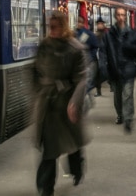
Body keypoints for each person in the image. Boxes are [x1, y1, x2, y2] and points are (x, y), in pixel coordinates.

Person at [33, 11, 89, 196]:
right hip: (48, 105)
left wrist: (74, 102)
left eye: (55, 26)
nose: (52, 30)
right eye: (50, 26)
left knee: (72, 144)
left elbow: (81, 78)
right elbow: (35, 70)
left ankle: (77, 169)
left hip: (67, 103)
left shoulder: (75, 48)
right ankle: (45, 187)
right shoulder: (45, 45)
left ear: (63, 26)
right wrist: (37, 93)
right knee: (50, 149)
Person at [99, 7, 136, 133]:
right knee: (118, 96)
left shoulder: (132, 33)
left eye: (123, 15)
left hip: (128, 69)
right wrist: (103, 68)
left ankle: (128, 119)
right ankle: (120, 114)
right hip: (114, 69)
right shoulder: (109, 35)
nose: (120, 17)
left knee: (127, 95)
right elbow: (103, 52)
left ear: (126, 16)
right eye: (118, 15)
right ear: (115, 16)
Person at [75, 15, 99, 102]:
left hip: (88, 62)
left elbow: (95, 46)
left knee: (87, 82)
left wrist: (91, 57)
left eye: (79, 22)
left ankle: (85, 100)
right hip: (81, 63)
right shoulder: (73, 34)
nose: (78, 24)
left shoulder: (86, 34)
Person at [94, 17, 107, 96]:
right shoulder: (96, 35)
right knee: (97, 74)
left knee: (104, 71)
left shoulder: (106, 35)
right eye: (98, 24)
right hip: (98, 56)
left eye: (101, 24)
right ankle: (98, 90)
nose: (99, 26)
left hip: (104, 56)